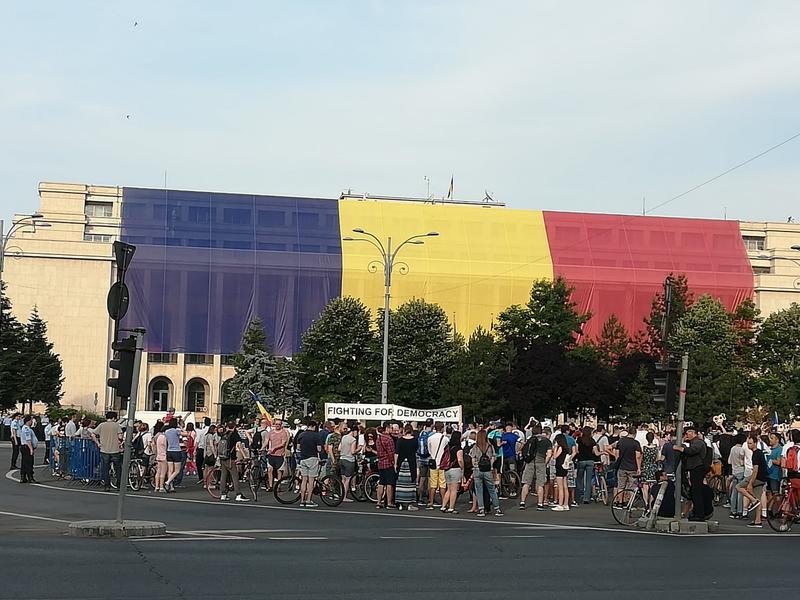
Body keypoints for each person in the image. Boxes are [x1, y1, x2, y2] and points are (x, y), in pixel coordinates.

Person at [674, 426, 708, 522]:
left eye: (689, 432)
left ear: (694, 433)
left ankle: (699, 514)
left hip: (697, 469)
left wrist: (680, 448)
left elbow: (692, 451)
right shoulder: (692, 442)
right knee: (694, 492)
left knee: (696, 492)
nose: (687, 434)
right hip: (693, 469)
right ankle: (696, 513)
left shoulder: (698, 442)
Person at [737, 435, 768, 528]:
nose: (748, 445)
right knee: (758, 499)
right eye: (748, 443)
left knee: (738, 487)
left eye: (750, 443)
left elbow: (755, 470)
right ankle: (757, 521)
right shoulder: (759, 452)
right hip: (763, 478)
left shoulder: (756, 454)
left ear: (755, 443)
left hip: (758, 477)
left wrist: (750, 483)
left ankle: (753, 500)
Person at [470, 429, 502, 516]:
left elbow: (472, 458)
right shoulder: (490, 446)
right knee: (492, 489)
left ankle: (481, 509)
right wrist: (491, 466)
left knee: (479, 490)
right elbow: (493, 457)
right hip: (487, 470)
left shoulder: (475, 446)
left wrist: (474, 466)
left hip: (477, 469)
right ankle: (497, 509)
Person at [218, 421, 250, 502]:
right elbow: (239, 446)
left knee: (223, 477)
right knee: (235, 477)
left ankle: (223, 494)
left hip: (223, 458)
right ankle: (238, 494)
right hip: (230, 458)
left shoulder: (224, 434)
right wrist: (245, 456)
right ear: (235, 427)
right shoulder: (235, 435)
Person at [91, 411, 122, 492]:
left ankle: (107, 485)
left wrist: (98, 443)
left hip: (104, 450)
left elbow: (93, 434)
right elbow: (120, 436)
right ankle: (119, 485)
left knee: (105, 469)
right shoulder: (117, 425)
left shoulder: (101, 425)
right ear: (114, 418)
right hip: (115, 450)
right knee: (118, 468)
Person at [614, 426, 642, 501]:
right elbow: (638, 456)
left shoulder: (621, 441)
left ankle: (620, 502)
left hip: (622, 466)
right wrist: (639, 468)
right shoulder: (636, 443)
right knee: (632, 486)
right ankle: (630, 502)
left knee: (621, 486)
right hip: (632, 467)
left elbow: (617, 454)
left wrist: (618, 461)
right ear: (635, 433)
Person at [298, 421, 322, 508]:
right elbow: (319, 449)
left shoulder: (301, 435)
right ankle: (308, 500)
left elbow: (298, 447)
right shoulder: (316, 436)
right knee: (311, 481)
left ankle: (302, 500)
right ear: (314, 426)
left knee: (304, 480)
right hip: (312, 458)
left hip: (303, 458)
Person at [395, 424, 418, 508]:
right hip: (411, 463)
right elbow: (416, 451)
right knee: (411, 483)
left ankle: (400, 503)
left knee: (400, 483)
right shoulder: (415, 440)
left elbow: (396, 453)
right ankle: (409, 503)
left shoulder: (400, 440)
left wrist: (395, 464)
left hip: (401, 463)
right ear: (411, 431)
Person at [441, 430, 464, 514]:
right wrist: (462, 467)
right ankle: (451, 507)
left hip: (447, 469)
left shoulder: (448, 447)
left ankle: (443, 506)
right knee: (454, 490)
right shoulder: (459, 448)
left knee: (449, 489)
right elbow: (460, 459)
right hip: (455, 469)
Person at [575, 426, 600, 504]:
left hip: (581, 460)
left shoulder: (579, 440)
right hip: (590, 461)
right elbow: (596, 453)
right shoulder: (592, 441)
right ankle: (586, 498)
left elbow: (577, 450)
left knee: (579, 479)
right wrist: (603, 452)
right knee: (588, 480)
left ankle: (579, 495)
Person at [426, 422, 448, 509]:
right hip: (442, 463)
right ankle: (444, 502)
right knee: (442, 484)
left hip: (433, 462)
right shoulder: (445, 439)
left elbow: (429, 450)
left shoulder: (430, 438)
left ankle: (431, 502)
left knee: (433, 484)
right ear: (442, 428)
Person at [375, 423, 397, 509]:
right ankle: (389, 503)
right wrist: (393, 462)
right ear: (387, 428)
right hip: (388, 463)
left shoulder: (378, 438)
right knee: (389, 483)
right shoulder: (389, 439)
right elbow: (391, 453)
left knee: (381, 483)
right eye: (391, 428)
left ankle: (379, 502)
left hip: (380, 463)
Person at [265, 419, 290, 490]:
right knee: (270, 470)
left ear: (281, 425)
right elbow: (266, 441)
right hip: (271, 454)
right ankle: (270, 486)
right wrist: (262, 448)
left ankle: (278, 486)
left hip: (280, 455)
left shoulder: (283, 433)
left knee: (279, 471)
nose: (277, 426)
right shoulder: (271, 432)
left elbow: (283, 443)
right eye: (276, 424)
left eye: (279, 424)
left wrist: (274, 448)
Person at [163, 418, 184, 492]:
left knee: (170, 470)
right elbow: (185, 434)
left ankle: (171, 487)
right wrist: (181, 427)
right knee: (177, 470)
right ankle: (167, 482)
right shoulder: (177, 431)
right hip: (176, 451)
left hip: (169, 451)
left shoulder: (166, 431)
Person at [339, 424, 358, 502]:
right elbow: (353, 451)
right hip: (349, 460)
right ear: (355, 431)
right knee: (347, 479)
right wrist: (359, 448)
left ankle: (341, 495)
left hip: (342, 459)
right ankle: (344, 497)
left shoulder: (344, 437)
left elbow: (339, 448)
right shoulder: (353, 439)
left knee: (343, 479)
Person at [416, 419, 434, 505]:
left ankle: (420, 498)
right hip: (429, 458)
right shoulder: (432, 434)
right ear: (432, 424)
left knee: (422, 479)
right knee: (430, 479)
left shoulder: (421, 433)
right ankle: (430, 499)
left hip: (421, 458)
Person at [640, 431, 659, 503]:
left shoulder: (644, 448)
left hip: (645, 467)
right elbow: (658, 458)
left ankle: (646, 503)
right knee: (652, 486)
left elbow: (641, 458)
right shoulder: (656, 448)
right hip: (653, 467)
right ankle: (651, 502)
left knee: (645, 486)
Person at [18, 415, 38, 484]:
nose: (32, 422)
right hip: (27, 447)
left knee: (24, 463)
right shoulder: (26, 429)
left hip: (26, 447)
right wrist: (31, 449)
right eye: (31, 420)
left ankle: (23, 477)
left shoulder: (27, 428)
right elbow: (28, 439)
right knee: (29, 463)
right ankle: (30, 477)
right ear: (28, 421)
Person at [153, 421, 168, 493]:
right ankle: (161, 487)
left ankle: (156, 486)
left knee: (158, 472)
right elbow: (166, 446)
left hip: (158, 455)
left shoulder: (158, 437)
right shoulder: (164, 437)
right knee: (163, 472)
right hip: (164, 456)